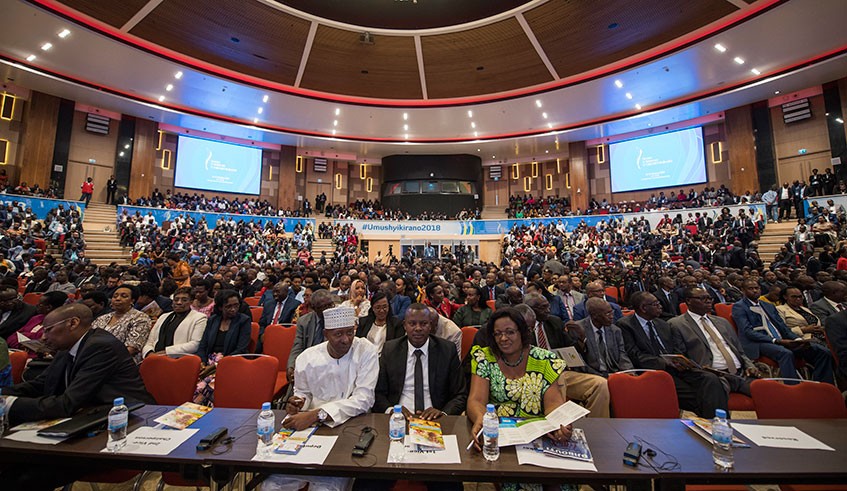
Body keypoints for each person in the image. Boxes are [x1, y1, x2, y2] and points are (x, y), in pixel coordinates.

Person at [0, 304, 155, 489]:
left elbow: (67, 404)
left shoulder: (101, 346)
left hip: (119, 428)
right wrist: (3, 394)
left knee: (23, 477)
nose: (43, 337)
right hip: (83, 419)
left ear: (73, 323)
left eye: (48, 330)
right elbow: (41, 384)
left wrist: (9, 404)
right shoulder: (68, 347)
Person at [272, 306, 377, 491]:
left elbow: (364, 399)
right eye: (338, 334)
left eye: (350, 332)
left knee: (326, 487)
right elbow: (303, 392)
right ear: (325, 334)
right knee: (273, 485)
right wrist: (297, 403)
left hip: (349, 427)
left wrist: (316, 414)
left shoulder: (365, 350)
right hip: (309, 428)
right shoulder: (307, 357)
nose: (346, 340)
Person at [467, 308, 572, 491]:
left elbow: (554, 404)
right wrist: (482, 420)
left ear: (522, 332)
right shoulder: (485, 357)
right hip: (501, 437)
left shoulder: (544, 360)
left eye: (509, 332)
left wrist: (560, 423)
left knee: (555, 481)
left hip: (538, 435)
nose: (503, 338)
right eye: (498, 334)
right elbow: (476, 400)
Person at [732, 279, 834, 384]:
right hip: (759, 342)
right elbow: (748, 332)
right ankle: (792, 388)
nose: (755, 291)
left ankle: (823, 385)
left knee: (822, 351)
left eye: (757, 288)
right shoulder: (739, 307)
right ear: (743, 290)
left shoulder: (768, 306)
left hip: (782, 339)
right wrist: (776, 340)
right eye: (751, 288)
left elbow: (783, 327)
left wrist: (797, 339)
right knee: (786, 353)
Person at [373, 303, 467, 417]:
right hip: (399, 417)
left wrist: (442, 413)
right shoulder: (390, 350)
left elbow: (460, 395)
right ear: (404, 325)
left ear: (431, 325)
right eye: (412, 324)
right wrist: (392, 410)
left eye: (423, 324)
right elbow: (378, 392)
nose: (418, 328)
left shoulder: (447, 350)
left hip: (435, 418)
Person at [669, 288, 760, 397]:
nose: (708, 301)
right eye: (703, 298)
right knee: (717, 398)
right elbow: (681, 357)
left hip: (741, 374)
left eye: (710, 298)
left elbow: (740, 351)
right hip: (714, 376)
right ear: (689, 301)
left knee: (770, 394)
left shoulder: (722, 322)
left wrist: (750, 366)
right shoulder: (677, 324)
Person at [194, 289, 252, 405]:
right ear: (220, 307)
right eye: (228, 306)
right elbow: (203, 345)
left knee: (208, 385)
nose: (233, 309)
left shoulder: (244, 320)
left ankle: (200, 408)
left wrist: (215, 365)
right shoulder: (213, 320)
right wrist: (202, 362)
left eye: (236, 305)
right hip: (210, 360)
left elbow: (241, 349)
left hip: (232, 361)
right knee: (192, 379)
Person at [91, 285, 151, 364]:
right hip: (95, 358)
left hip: (121, 362)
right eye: (115, 296)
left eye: (124, 296)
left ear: (132, 301)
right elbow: (89, 339)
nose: (118, 299)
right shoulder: (103, 318)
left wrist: (103, 360)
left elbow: (132, 349)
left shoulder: (140, 318)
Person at [286, 289, 335, 384]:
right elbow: (297, 347)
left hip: (330, 365)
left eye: (330, 305)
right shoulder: (304, 321)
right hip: (308, 363)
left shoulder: (337, 321)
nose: (328, 309)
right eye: (323, 307)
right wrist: (291, 367)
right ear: (314, 308)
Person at [142, 287, 207, 358]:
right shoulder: (163, 317)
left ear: (191, 301)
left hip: (180, 358)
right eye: (176, 300)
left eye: (184, 300)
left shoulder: (199, 318)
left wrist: (165, 352)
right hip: (154, 357)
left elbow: (195, 344)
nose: (179, 303)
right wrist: (149, 353)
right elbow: (150, 341)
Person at [575, 298, 633, 377]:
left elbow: (622, 354)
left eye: (612, 312)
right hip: (592, 375)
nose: (612, 316)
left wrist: (629, 371)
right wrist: (600, 377)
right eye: (607, 314)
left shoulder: (615, 330)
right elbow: (580, 362)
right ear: (594, 315)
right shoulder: (578, 329)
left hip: (614, 371)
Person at [355, 291, 403, 355]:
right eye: (378, 308)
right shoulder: (364, 322)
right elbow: (357, 343)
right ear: (372, 308)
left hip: (386, 358)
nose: (382, 310)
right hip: (365, 357)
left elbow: (398, 348)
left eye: (384, 307)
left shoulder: (397, 324)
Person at [257, 282, 300, 352]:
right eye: (273, 292)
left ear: (286, 292)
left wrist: (278, 333)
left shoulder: (295, 304)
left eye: (277, 292)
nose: (275, 294)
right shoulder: (268, 304)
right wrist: (262, 334)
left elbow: (291, 325)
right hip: (267, 334)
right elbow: (262, 323)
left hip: (283, 335)